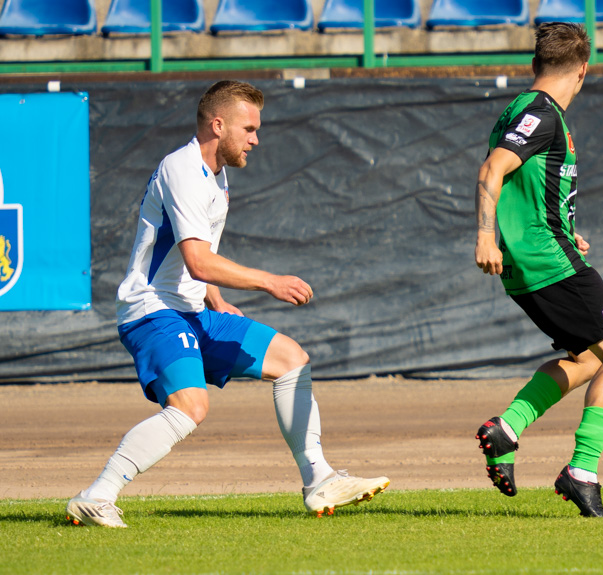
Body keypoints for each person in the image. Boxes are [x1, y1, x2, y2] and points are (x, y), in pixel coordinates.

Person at [66, 80, 389, 528]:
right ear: (218, 125)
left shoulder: (217, 175)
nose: (256, 139)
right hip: (151, 311)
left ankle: (318, 479)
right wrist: (269, 281)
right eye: (249, 128)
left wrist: (217, 300)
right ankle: (97, 495)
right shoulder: (181, 168)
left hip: (192, 311)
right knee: (190, 407)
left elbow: (198, 256)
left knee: (290, 359)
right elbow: (199, 262)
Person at [473, 23, 603, 518]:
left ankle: (506, 429)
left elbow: (530, 191)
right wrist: (485, 235)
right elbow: (492, 170)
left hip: (544, 255)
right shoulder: (541, 113)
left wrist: (567, 230)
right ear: (583, 70)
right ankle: (582, 471)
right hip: (547, 261)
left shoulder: (524, 109)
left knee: (591, 359)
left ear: (535, 65)